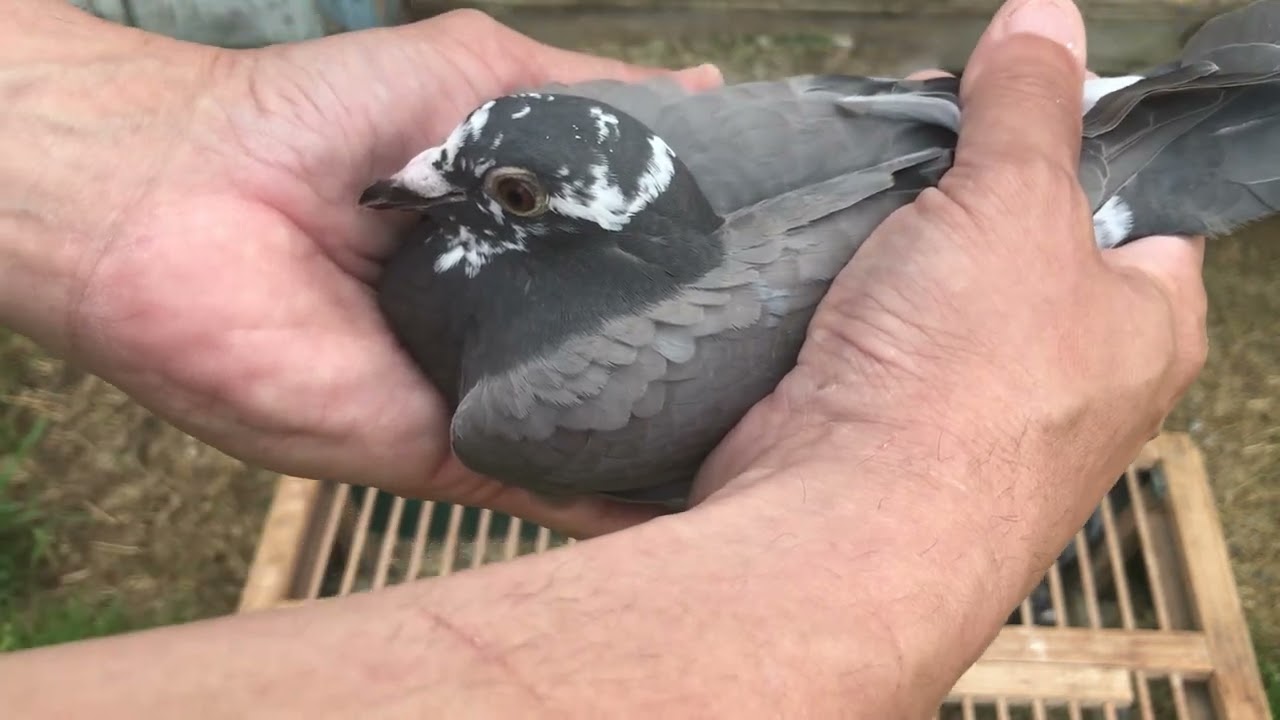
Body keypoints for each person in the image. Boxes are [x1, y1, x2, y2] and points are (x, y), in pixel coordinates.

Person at [0, 0, 1207, 716]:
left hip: (965, 213)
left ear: (565, 226)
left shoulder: (536, 404)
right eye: (453, 158)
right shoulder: (581, 235)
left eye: (503, 193)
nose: (411, 184)